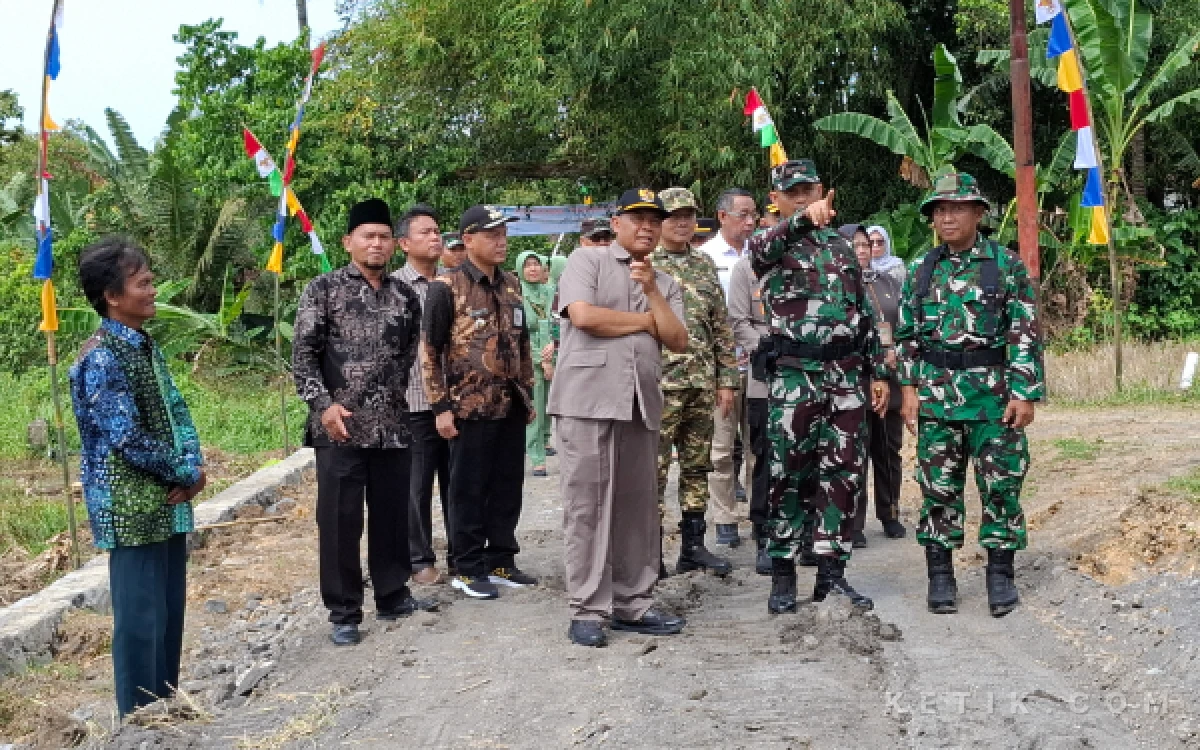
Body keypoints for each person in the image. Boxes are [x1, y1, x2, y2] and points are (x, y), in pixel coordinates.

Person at [895, 171, 1043, 617]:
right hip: (938, 398)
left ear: (978, 212)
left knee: (1001, 486)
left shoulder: (1005, 264)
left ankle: (1000, 574)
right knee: (938, 489)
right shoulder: (921, 268)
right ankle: (940, 576)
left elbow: (1025, 332)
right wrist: (908, 390)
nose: (947, 217)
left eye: (956, 208)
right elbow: (906, 335)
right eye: (939, 210)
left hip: (995, 399)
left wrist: (1025, 393)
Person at [69, 237, 206, 717]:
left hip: (168, 499)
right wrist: (183, 471)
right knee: (139, 617)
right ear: (112, 295)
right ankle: (139, 720)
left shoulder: (145, 347)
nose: (152, 291)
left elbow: (177, 412)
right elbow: (126, 436)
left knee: (168, 612)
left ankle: (166, 708)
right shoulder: (102, 357)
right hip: (130, 507)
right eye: (143, 283)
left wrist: (193, 467)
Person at [548, 188, 688, 647]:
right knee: (587, 506)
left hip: (638, 402)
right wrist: (646, 321)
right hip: (586, 401)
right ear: (618, 222)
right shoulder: (585, 262)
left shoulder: (663, 282)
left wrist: (650, 294)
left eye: (654, 220)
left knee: (637, 509)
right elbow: (585, 317)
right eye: (637, 218)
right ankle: (587, 608)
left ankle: (633, 603)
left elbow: (678, 338)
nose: (647, 227)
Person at [750, 159, 890, 614]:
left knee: (844, 475)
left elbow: (862, 312)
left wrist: (878, 372)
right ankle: (784, 574)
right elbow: (759, 252)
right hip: (795, 377)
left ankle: (832, 576)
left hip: (845, 378)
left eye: (808, 191)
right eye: (791, 193)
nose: (802, 198)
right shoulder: (771, 242)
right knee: (788, 474)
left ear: (821, 191)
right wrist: (796, 221)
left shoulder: (843, 247)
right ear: (777, 199)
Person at [293, 198, 435, 646]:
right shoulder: (324, 289)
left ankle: (393, 593)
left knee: (393, 513)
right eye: (367, 236)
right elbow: (303, 357)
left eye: (382, 236)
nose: (376, 243)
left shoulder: (405, 295)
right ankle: (344, 611)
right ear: (348, 242)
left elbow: (409, 353)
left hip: (392, 424)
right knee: (339, 520)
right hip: (339, 428)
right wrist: (325, 405)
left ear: (394, 244)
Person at [423, 205, 537, 600]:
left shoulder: (511, 285)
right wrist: (440, 407)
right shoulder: (446, 286)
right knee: (468, 489)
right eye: (492, 235)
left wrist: (528, 392)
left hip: (509, 404)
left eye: (504, 234)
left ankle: (501, 558)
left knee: (508, 485)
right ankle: (467, 566)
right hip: (467, 406)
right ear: (468, 240)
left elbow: (522, 344)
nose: (501, 242)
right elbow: (430, 351)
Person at [651, 188, 739, 576]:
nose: (683, 222)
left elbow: (720, 326)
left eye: (688, 215)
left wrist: (726, 380)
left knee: (697, 466)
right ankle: (648, 552)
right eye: (673, 216)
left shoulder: (704, 264)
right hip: (658, 383)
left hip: (702, 382)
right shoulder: (643, 263)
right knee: (652, 469)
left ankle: (693, 546)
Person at [394, 204, 453, 586]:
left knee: (458, 482)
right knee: (416, 486)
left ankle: (464, 553)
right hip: (413, 402)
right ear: (404, 243)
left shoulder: (452, 283)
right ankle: (418, 559)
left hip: (455, 402)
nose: (435, 237)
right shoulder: (394, 289)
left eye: (437, 231)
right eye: (425, 232)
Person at [699, 188, 760, 548]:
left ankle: (758, 514)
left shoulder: (765, 254)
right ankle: (723, 517)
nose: (750, 222)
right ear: (722, 217)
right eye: (743, 215)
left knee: (759, 446)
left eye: (753, 215)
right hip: (721, 368)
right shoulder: (704, 258)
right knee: (720, 448)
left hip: (759, 366)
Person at [841, 224, 907, 546]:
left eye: (867, 244)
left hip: (890, 378)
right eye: (855, 245)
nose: (864, 249)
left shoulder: (889, 282)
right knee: (854, 453)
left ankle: (890, 512)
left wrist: (898, 353)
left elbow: (904, 325)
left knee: (888, 449)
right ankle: (853, 523)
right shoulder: (837, 287)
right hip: (854, 380)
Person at [726, 251, 772, 575]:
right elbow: (738, 321)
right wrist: (768, 349)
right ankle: (765, 536)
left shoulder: (813, 260)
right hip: (765, 376)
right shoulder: (747, 266)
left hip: (809, 373)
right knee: (764, 457)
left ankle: (806, 532)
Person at [516, 250, 555, 477]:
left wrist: (554, 347)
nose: (532, 269)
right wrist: (542, 359)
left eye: (536, 264)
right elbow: (520, 331)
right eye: (527, 265)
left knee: (552, 406)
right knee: (536, 408)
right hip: (529, 358)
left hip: (555, 354)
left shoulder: (550, 292)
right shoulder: (516, 295)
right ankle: (537, 456)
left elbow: (558, 321)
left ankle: (546, 441)